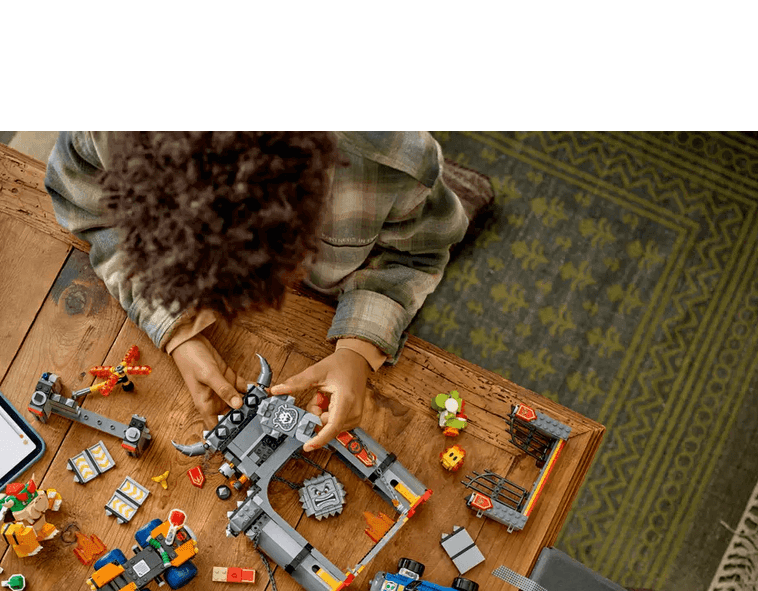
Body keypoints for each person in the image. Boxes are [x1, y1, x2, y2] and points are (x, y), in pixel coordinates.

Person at [44, 132, 471, 452]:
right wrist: (174, 326)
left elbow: (413, 254)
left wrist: (358, 349)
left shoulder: (390, 160)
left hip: (351, 273)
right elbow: (87, 201)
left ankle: (457, 195)